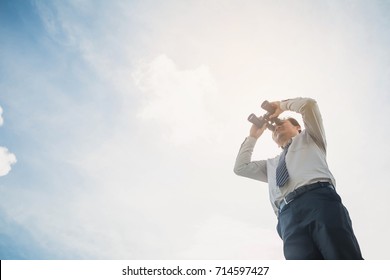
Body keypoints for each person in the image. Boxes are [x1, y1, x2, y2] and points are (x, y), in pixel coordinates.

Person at [234, 97, 363, 260]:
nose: (276, 127)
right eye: (274, 129)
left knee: (341, 258)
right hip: (287, 218)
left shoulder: (311, 138)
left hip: (318, 200)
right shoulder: (271, 165)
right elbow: (240, 168)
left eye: (282, 123)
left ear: (298, 128)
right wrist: (253, 136)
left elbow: (308, 105)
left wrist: (280, 106)